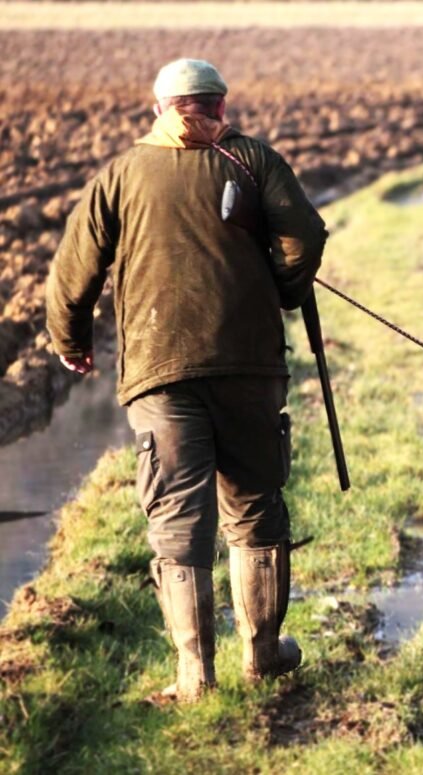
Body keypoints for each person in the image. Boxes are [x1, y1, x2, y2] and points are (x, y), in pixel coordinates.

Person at [46, 58, 327, 701]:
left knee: (179, 516)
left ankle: (193, 677)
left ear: (159, 108)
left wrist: (72, 344)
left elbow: (71, 275)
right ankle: (263, 655)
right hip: (250, 367)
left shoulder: (118, 175)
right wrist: (284, 288)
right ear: (220, 106)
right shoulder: (252, 161)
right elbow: (304, 235)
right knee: (255, 504)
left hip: (158, 370)